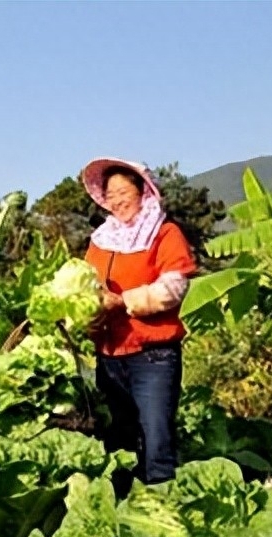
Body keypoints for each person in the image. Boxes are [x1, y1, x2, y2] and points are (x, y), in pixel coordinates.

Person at [81, 157, 197, 491]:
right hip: (109, 356)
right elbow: (88, 288)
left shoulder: (164, 232)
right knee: (121, 437)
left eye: (123, 191)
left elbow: (172, 288)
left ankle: (165, 513)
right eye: (110, 194)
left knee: (156, 434)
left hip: (153, 355)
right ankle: (125, 509)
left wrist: (123, 301)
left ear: (142, 190)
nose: (117, 200)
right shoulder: (101, 239)